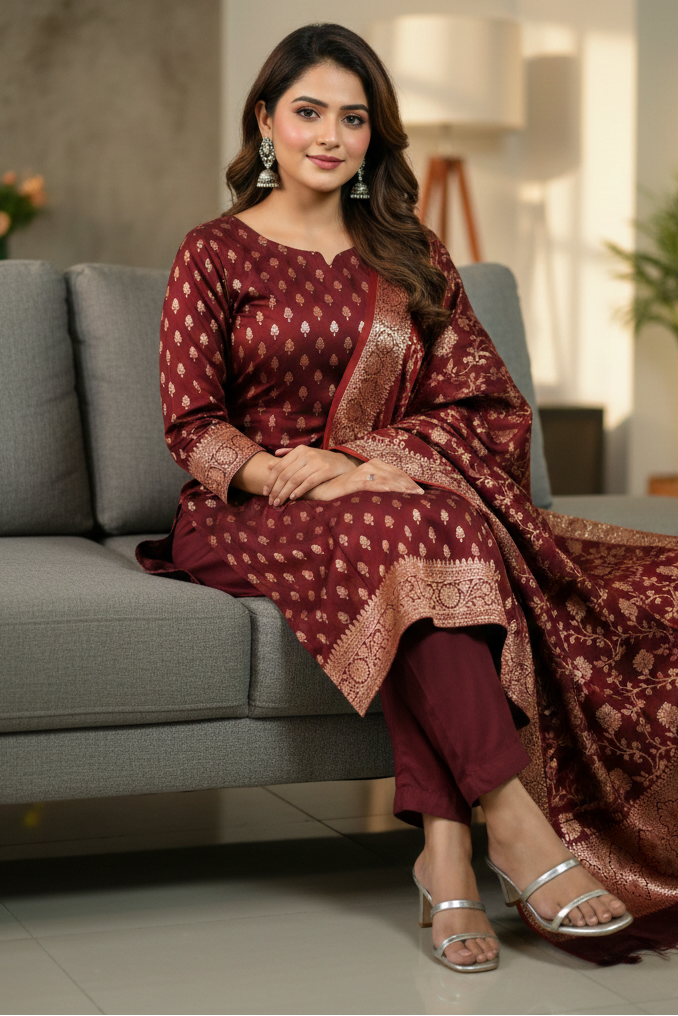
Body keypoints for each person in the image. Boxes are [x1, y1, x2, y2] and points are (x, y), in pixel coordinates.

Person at [138, 23, 678, 971]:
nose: (330, 135)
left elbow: (485, 406)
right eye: (308, 111)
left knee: (416, 527)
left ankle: (446, 853)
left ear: (374, 138)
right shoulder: (212, 253)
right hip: (241, 512)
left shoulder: (409, 252)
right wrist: (284, 471)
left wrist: (359, 464)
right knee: (418, 526)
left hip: (390, 505)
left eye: (354, 118)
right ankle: (508, 819)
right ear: (266, 120)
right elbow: (191, 424)